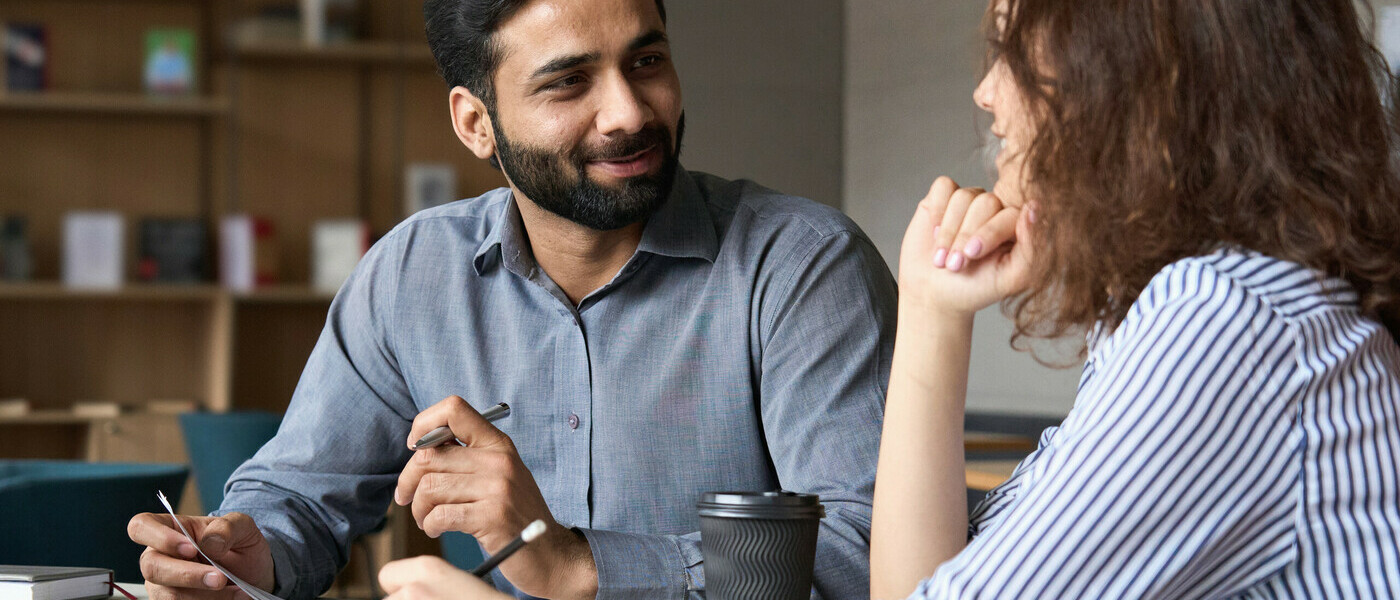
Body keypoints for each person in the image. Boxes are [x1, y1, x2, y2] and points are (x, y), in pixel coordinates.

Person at [127, 0, 898, 598]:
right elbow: (300, 489)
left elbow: (877, 555)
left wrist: (581, 568)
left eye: (648, 60)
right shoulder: (413, 273)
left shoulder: (802, 264)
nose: (630, 112)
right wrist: (249, 551)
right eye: (569, 81)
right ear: (476, 123)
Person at [871, 0, 1400, 598]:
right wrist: (931, 308)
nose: (986, 92)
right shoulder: (1217, 310)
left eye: (1013, 51)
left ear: (1126, 74)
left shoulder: (1226, 322)